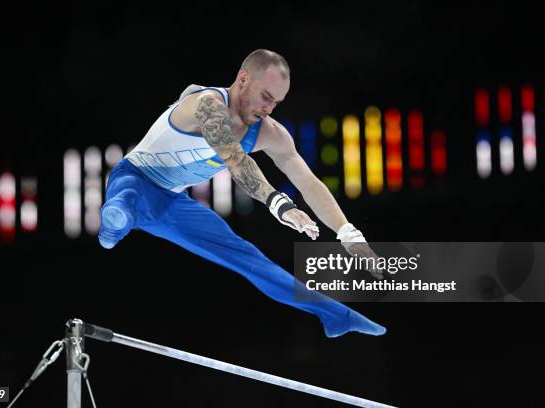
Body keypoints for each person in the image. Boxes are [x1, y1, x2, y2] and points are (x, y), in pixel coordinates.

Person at [98, 49, 386, 337]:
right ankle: (115, 222)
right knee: (126, 196)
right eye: (266, 96)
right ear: (244, 78)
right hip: (134, 178)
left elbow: (308, 182)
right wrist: (278, 204)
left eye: (276, 102)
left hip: (171, 203)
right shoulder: (207, 104)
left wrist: (348, 235)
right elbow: (236, 160)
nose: (269, 108)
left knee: (250, 259)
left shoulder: (270, 133)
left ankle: (337, 317)